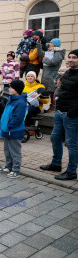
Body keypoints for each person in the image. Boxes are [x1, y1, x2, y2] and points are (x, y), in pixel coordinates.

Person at [40, 49, 78, 181]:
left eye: (74, 57)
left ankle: (71, 171)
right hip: (60, 112)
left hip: (71, 115)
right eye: (70, 57)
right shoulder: (68, 73)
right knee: (55, 138)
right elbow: (60, 89)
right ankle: (56, 164)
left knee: (71, 144)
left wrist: (73, 112)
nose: (71, 59)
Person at [0, 80, 27, 179]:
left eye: (11, 87)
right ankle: (8, 166)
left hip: (14, 130)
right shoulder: (11, 99)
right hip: (7, 130)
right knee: (7, 150)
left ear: (17, 90)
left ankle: (15, 170)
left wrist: (9, 125)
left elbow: (18, 118)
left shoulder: (21, 102)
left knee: (15, 152)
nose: (9, 89)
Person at [39, 38, 66, 111]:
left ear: (55, 44)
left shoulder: (58, 53)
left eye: (51, 42)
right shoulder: (50, 51)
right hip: (47, 75)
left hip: (52, 75)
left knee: (53, 91)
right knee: (48, 91)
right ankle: (49, 106)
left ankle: (54, 106)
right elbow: (41, 53)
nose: (49, 44)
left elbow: (53, 62)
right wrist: (39, 45)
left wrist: (44, 59)